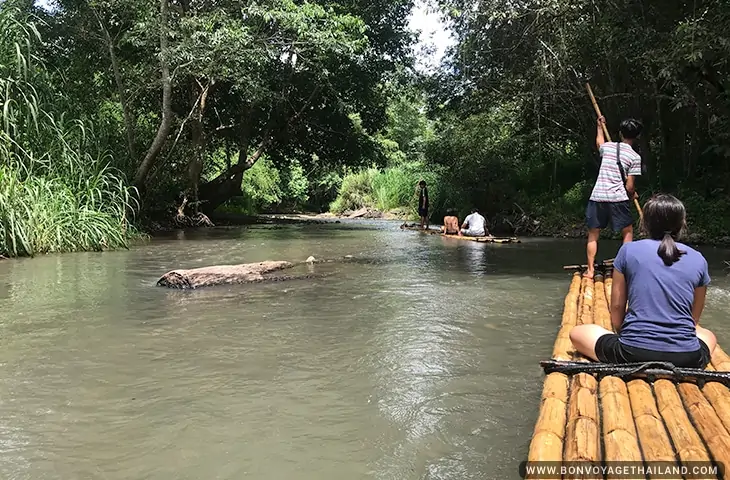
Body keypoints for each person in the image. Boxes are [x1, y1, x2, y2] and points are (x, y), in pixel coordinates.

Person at [570, 194, 716, 369]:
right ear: (682, 223)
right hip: (687, 358)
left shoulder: (628, 251)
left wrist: (627, 337)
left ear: (644, 223)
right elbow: (694, 318)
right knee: (708, 335)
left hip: (632, 353)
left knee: (577, 333)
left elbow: (617, 310)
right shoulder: (699, 259)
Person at [584, 116, 643, 279]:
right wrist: (632, 195)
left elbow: (599, 143)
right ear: (637, 136)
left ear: (620, 133)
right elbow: (629, 187)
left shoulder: (608, 148)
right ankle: (624, 269)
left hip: (598, 196)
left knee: (593, 233)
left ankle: (590, 271)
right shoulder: (634, 157)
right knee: (628, 232)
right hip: (618, 198)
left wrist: (599, 127)